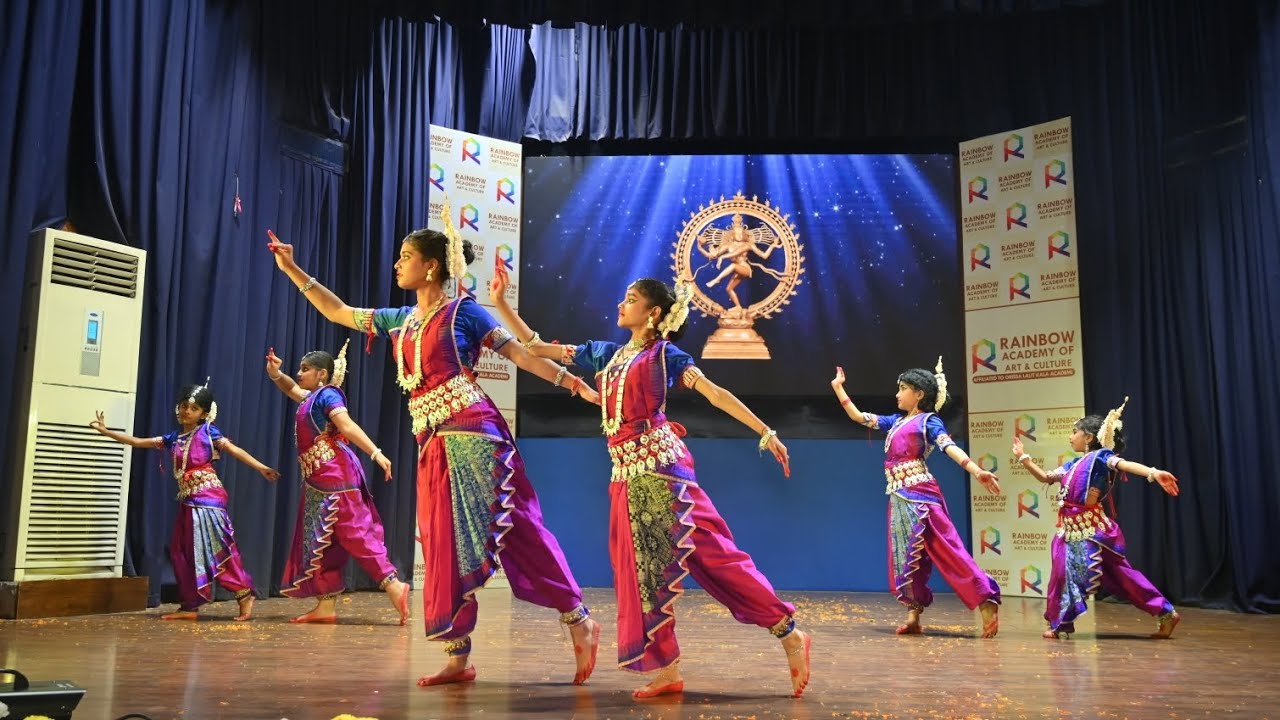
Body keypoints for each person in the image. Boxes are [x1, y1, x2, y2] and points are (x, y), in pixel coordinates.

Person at [265, 216, 602, 688]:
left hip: (476, 436)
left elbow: (522, 357)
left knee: (516, 528)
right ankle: (458, 656)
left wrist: (573, 385)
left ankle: (578, 619)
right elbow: (339, 311)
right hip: (432, 442)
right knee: (442, 544)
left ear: (430, 267)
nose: (398, 264)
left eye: (406, 257)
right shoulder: (400, 320)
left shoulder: (465, 312)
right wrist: (292, 270)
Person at [489, 269, 811, 699]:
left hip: (664, 471)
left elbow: (715, 393)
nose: (621, 304)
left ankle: (789, 632)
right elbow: (535, 347)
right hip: (625, 474)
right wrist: (503, 303)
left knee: (714, 557)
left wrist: (765, 431)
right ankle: (667, 668)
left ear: (653, 312)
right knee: (640, 572)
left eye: (630, 298)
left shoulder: (665, 357)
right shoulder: (606, 354)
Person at [831, 360, 1002, 638]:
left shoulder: (929, 421)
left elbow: (948, 446)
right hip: (898, 495)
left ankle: (985, 599)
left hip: (921, 495)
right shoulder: (896, 421)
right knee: (906, 556)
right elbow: (859, 417)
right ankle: (913, 615)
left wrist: (976, 470)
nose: (897, 394)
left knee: (947, 549)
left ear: (919, 394)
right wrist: (839, 388)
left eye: (903, 389)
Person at [90, 383, 279, 620]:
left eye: (194, 408)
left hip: (208, 500)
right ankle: (190, 605)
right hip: (188, 501)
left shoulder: (209, 432)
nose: (186, 411)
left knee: (215, 549)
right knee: (182, 552)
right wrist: (106, 432)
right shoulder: (173, 438)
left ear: (204, 413)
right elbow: (139, 442)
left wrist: (261, 468)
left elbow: (234, 450)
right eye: (183, 406)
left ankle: (243, 594)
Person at [265, 340, 411, 625]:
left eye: (305, 369)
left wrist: (376, 452)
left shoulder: (329, 395)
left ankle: (393, 584)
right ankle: (326, 606)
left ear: (322, 374)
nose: (298, 373)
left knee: (354, 532)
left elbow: (346, 426)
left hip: (335, 475)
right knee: (324, 540)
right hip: (319, 478)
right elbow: (291, 389)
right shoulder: (310, 397)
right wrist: (275, 373)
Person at [1011, 397, 1181, 639]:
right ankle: (1164, 612)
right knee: (1115, 576)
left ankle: (1061, 623)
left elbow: (1125, 464)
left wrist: (1153, 473)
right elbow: (1046, 477)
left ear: (1088, 437)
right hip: (1069, 530)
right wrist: (1023, 457)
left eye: (1074, 432)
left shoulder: (1102, 457)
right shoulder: (1072, 464)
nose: (1070, 437)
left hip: (1089, 531)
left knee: (1070, 575)